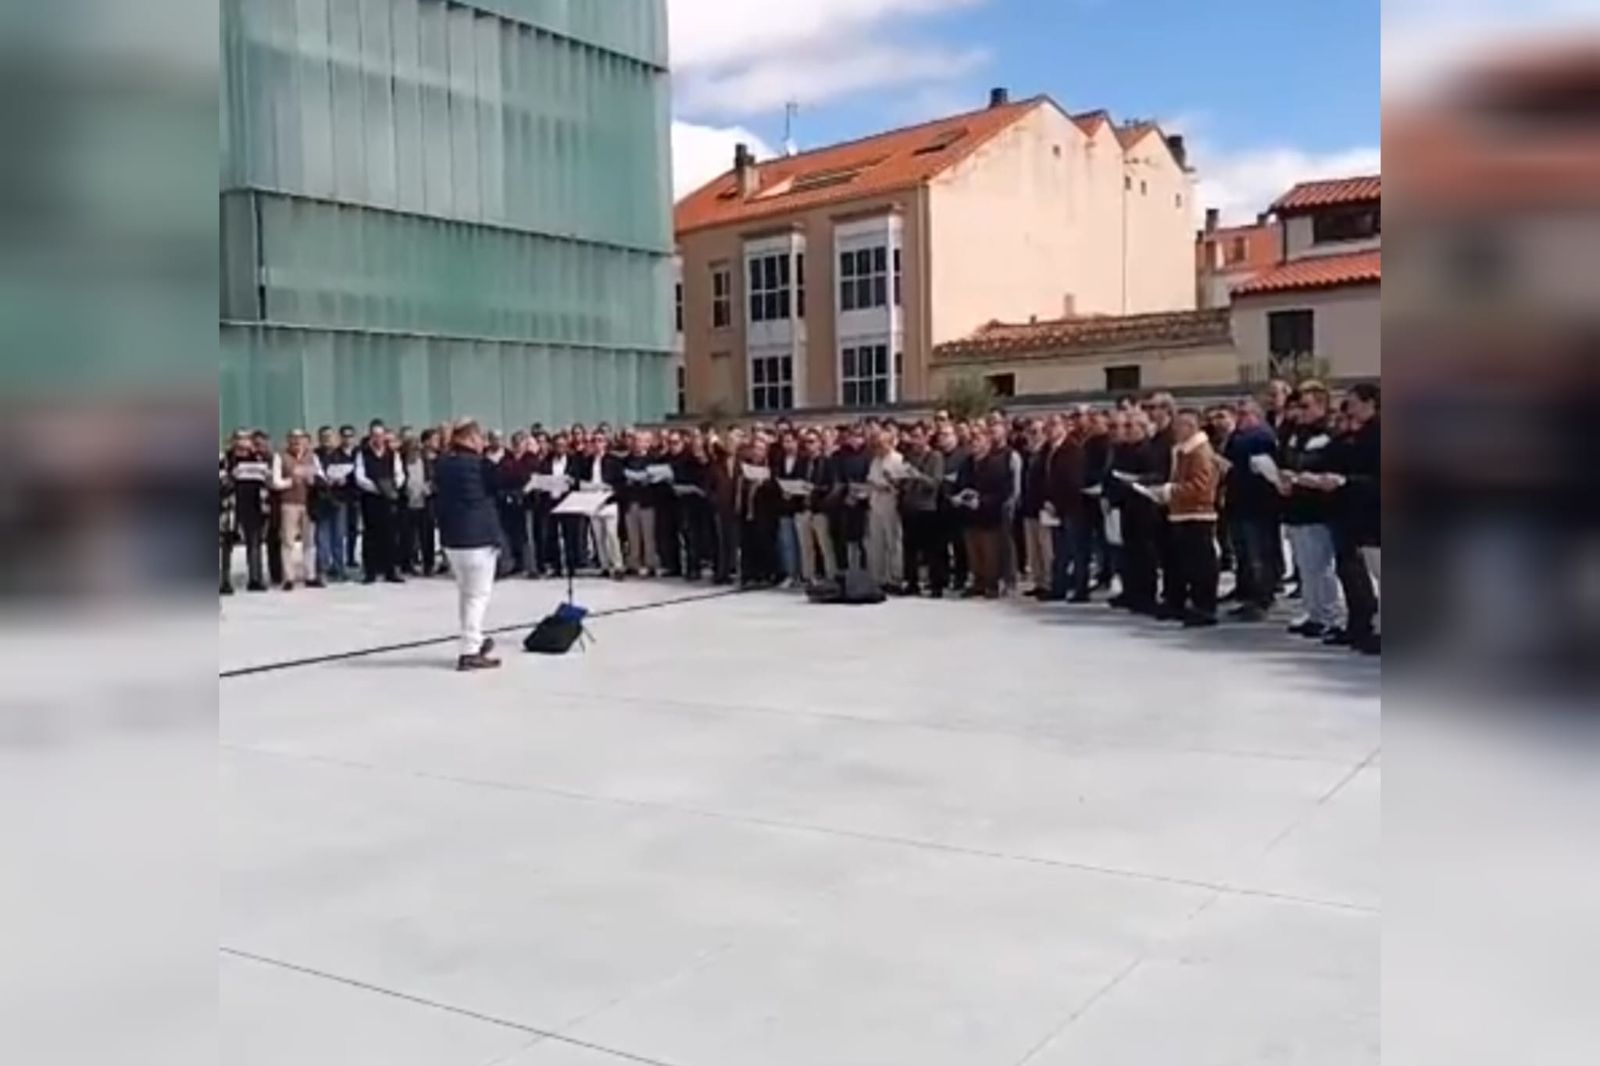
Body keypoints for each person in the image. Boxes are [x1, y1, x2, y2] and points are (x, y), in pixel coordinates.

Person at [432, 420, 502, 672]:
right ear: (471, 438)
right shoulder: (480, 465)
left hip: (452, 537)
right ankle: (470, 651)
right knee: (477, 596)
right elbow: (502, 482)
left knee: (466, 594)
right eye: (480, 437)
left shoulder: (442, 464)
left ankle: (474, 639)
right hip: (478, 538)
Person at [1279, 383, 1345, 639]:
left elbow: (1325, 465)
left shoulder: (1327, 434)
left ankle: (1330, 615)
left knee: (1321, 568)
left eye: (1305, 406)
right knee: (1306, 568)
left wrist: (1302, 476)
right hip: (1296, 507)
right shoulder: (1298, 434)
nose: (1300, 411)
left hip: (1318, 509)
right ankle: (1314, 613)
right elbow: (1289, 459)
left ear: (1321, 405)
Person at [1222, 400, 1282, 622]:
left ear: (1256, 415)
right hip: (1238, 501)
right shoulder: (1237, 436)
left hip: (1258, 503)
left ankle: (1261, 597)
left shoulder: (1262, 437)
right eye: (1238, 413)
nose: (1240, 417)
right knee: (1244, 553)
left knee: (1259, 554)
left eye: (1244, 413)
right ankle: (1245, 591)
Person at [1162, 409, 1222, 627]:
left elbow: (1201, 486)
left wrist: (1170, 491)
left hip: (1198, 512)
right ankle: (1196, 604)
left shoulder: (1199, 451)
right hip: (1183, 513)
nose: (1175, 430)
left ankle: (1205, 607)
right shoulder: (1185, 451)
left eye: (1179, 426)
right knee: (1190, 563)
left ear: (1190, 427)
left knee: (1202, 565)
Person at [957, 428, 1013, 598]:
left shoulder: (996, 464)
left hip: (989, 516)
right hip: (969, 515)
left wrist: (982, 501)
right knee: (974, 552)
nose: (974, 443)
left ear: (987, 443)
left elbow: (1002, 491)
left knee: (991, 554)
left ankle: (992, 584)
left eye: (978, 440)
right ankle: (978, 582)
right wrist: (959, 496)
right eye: (972, 440)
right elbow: (960, 484)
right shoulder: (966, 463)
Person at [1042, 413, 1091, 602]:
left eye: (1055, 424)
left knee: (1077, 551)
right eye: (1049, 424)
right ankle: (1058, 587)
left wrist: (1057, 503)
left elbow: (1072, 481)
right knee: (1059, 551)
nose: (1051, 428)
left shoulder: (1073, 450)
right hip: (1056, 508)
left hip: (1073, 507)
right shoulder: (1050, 449)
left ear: (1065, 427)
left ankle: (1081, 589)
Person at [355, 418, 406, 584]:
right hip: (371, 499)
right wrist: (377, 487)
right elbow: (360, 477)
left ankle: (391, 570)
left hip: (389, 499)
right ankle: (370, 572)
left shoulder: (393, 454)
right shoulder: (362, 453)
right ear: (370, 436)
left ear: (384, 436)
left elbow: (400, 475)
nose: (378, 439)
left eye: (380, 435)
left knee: (391, 535)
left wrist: (392, 487)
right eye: (374, 435)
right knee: (370, 535)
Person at [273, 429, 324, 591]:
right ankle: (288, 577)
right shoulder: (280, 456)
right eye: (293, 439)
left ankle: (310, 575)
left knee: (309, 541)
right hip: (289, 503)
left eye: (299, 439)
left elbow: (321, 476)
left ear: (305, 441)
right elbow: (275, 482)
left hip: (308, 503)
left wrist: (313, 480)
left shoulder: (312, 457)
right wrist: (290, 481)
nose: (296, 442)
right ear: (288, 441)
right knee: (288, 541)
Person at [220, 430, 271, 593]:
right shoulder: (225, 459)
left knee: (254, 543)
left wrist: (267, 476)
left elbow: (267, 482)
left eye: (246, 439)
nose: (243, 443)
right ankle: (224, 581)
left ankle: (255, 579)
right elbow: (220, 483)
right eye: (239, 439)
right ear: (233, 441)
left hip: (254, 506)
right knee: (226, 546)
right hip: (231, 507)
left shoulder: (258, 457)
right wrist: (232, 476)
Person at [898, 424, 946, 597]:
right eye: (913, 437)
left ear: (926, 437)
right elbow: (903, 483)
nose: (915, 441)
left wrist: (917, 475)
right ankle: (912, 582)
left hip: (927, 507)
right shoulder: (909, 456)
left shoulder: (935, 456)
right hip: (909, 506)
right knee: (909, 547)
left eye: (919, 436)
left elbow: (935, 483)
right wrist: (898, 478)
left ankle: (936, 584)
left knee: (931, 549)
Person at [572, 431, 625, 579]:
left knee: (611, 535)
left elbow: (621, 481)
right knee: (598, 536)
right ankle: (604, 565)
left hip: (609, 502)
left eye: (600, 440)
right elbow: (580, 480)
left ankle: (618, 565)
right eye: (595, 441)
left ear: (606, 443)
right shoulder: (587, 461)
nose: (597, 444)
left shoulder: (614, 460)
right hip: (593, 501)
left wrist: (611, 488)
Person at [794, 428, 838, 584]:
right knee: (806, 546)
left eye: (812, 442)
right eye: (806, 442)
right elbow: (795, 480)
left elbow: (831, 486)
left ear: (819, 443)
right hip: (803, 507)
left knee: (825, 545)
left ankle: (831, 575)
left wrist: (815, 489)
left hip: (820, 509)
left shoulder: (827, 462)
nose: (809, 445)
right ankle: (808, 576)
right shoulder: (801, 462)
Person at [864, 429, 906, 591]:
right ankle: (879, 577)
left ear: (889, 443)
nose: (877, 448)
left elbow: (901, 484)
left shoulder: (898, 459)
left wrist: (887, 485)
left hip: (891, 503)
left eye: (881, 444)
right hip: (875, 503)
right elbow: (870, 478)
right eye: (875, 445)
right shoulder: (875, 460)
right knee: (876, 542)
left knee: (893, 541)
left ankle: (895, 576)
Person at [737, 438, 781, 587]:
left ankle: (766, 574)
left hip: (764, 513)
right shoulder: (745, 468)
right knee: (747, 544)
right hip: (747, 512)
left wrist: (765, 483)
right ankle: (749, 575)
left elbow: (777, 489)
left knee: (764, 543)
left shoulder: (771, 468)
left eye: (761, 449)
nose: (757, 452)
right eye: (755, 449)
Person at [313, 426, 353, 583]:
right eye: (323, 437)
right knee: (322, 536)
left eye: (329, 436)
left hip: (339, 499)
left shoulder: (341, 455)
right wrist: (323, 481)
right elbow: (312, 474)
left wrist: (343, 480)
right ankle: (323, 569)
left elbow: (350, 474)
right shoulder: (315, 455)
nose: (327, 440)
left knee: (339, 535)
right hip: (321, 499)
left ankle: (339, 568)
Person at [1018, 420, 1054, 596]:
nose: (1034, 435)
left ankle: (1048, 582)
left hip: (1042, 507)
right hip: (1028, 506)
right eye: (1031, 432)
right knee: (1033, 549)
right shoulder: (1027, 455)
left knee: (1045, 547)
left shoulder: (1047, 453)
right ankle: (1038, 581)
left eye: (1037, 431)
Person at [621, 431, 662, 577]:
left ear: (647, 443)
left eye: (641, 440)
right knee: (633, 536)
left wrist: (646, 479)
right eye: (636, 440)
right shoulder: (626, 460)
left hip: (647, 501)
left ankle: (650, 564)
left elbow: (657, 479)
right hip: (631, 501)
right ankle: (634, 563)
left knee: (648, 535)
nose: (638, 443)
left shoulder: (654, 459)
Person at [337, 424, 362, 571]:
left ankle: (351, 557)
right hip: (341, 495)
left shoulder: (359, 453)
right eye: (345, 436)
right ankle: (340, 559)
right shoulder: (337, 453)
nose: (348, 438)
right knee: (341, 529)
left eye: (350, 435)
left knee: (354, 528)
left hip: (356, 495)